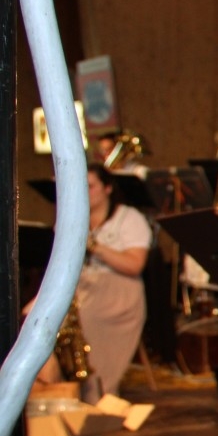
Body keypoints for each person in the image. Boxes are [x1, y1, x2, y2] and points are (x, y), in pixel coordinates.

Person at [77, 163, 153, 395]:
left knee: (83, 319)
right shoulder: (75, 218)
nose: (84, 192)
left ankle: (93, 392)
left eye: (90, 186)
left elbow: (134, 265)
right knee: (32, 316)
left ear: (107, 188)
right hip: (82, 287)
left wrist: (94, 247)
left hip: (118, 293)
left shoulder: (129, 218)